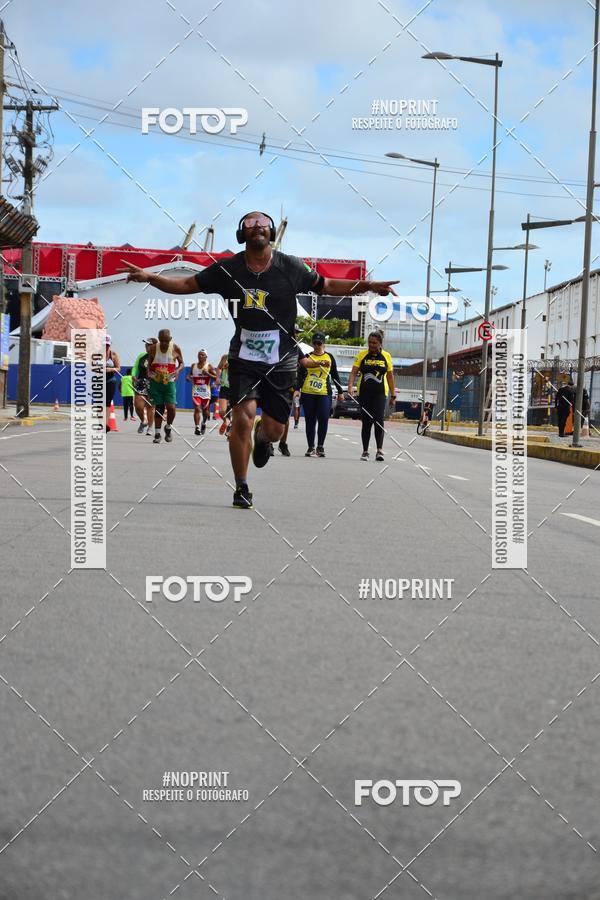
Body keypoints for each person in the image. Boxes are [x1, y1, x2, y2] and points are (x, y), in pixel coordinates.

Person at [123, 212, 398, 508]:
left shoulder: (289, 266)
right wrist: (151, 277)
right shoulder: (228, 269)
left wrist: (367, 286)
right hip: (244, 356)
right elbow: (187, 284)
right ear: (242, 233)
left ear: (271, 232)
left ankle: (264, 436)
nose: (258, 227)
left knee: (276, 429)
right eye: (251, 223)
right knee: (242, 417)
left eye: (263, 223)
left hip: (282, 359)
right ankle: (241, 486)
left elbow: (328, 285)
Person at [347, 330, 395, 461]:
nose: (371, 345)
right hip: (364, 393)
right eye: (369, 343)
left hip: (380, 393)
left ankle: (379, 450)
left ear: (380, 343)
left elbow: (390, 376)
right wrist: (350, 386)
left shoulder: (386, 356)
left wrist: (393, 395)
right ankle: (365, 451)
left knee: (379, 420)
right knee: (367, 422)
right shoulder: (362, 355)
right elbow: (353, 372)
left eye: (374, 343)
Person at [296, 332, 344, 457]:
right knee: (310, 420)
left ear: (324, 344)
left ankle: (320, 446)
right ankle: (310, 446)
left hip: (324, 393)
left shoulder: (329, 357)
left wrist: (340, 392)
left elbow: (335, 376)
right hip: (308, 392)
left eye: (319, 343)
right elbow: (300, 374)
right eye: (315, 343)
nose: (317, 346)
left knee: (323, 418)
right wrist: (297, 389)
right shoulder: (308, 356)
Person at [147, 329, 184, 444]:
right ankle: (157, 434)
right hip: (156, 381)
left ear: (170, 339)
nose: (163, 343)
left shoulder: (175, 348)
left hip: (169, 381)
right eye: (161, 340)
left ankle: (168, 427)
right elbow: (149, 364)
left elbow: (182, 363)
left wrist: (177, 371)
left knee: (171, 407)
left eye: (166, 341)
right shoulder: (153, 349)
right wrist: (149, 372)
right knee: (159, 407)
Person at [187, 350, 218, 435]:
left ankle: (203, 422)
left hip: (206, 392)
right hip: (196, 391)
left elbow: (216, 378)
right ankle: (197, 427)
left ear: (206, 357)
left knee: (205, 411)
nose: (200, 356)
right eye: (199, 354)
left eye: (202, 355)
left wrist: (207, 373)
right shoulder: (193, 365)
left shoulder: (209, 366)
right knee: (197, 408)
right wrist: (188, 377)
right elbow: (189, 374)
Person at [132, 337, 156, 435]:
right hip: (141, 382)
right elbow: (135, 367)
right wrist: (133, 376)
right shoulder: (141, 356)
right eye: (146, 344)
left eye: (149, 345)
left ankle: (150, 427)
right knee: (138, 405)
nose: (146, 346)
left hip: (153, 383)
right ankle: (143, 421)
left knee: (150, 406)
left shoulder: (158, 357)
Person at [104, 335, 120, 432]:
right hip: (98, 380)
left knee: (107, 403)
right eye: (104, 345)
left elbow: (118, 368)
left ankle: (105, 424)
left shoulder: (113, 355)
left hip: (110, 380)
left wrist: (110, 369)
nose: (105, 347)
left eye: (107, 345)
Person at [217, 353, 232, 436]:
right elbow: (219, 368)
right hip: (224, 387)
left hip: (235, 388)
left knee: (231, 409)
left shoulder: (242, 358)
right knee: (222, 411)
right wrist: (218, 378)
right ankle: (227, 421)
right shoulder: (225, 357)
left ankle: (230, 429)